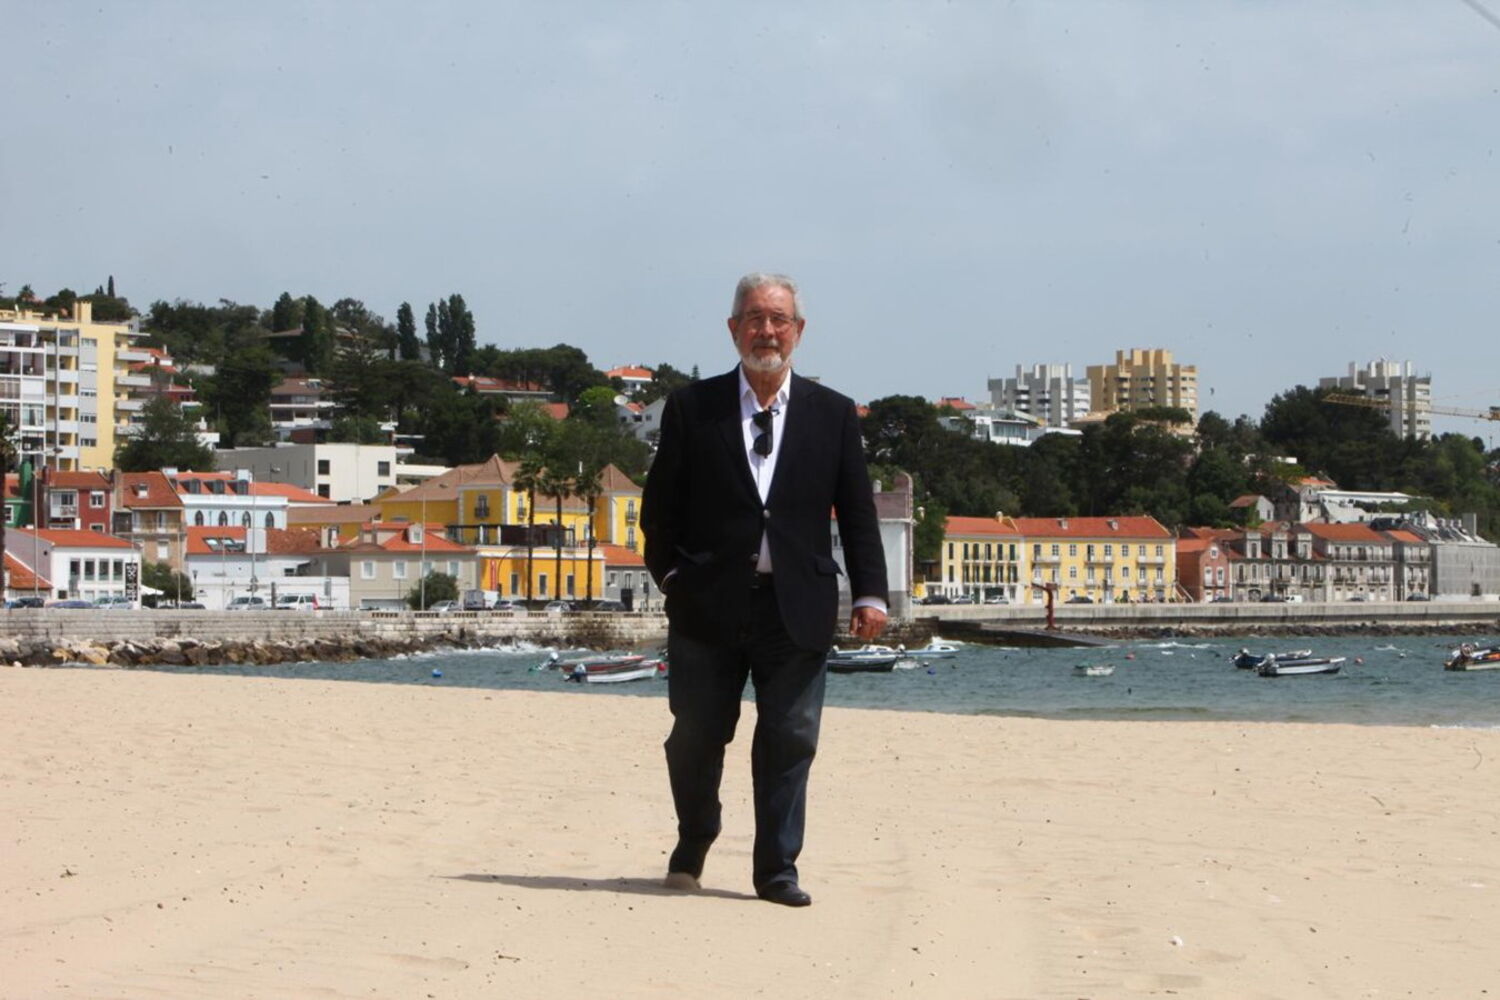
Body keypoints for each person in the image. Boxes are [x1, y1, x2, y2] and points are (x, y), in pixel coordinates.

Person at [641, 272, 889, 908]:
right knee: (695, 734)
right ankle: (695, 837)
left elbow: (857, 513)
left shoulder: (833, 413)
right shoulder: (691, 408)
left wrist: (871, 593)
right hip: (707, 606)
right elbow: (659, 510)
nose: (767, 331)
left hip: (797, 606)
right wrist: (671, 577)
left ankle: (777, 869)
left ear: (799, 331)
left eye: (779, 319)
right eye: (754, 318)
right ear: (733, 329)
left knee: (790, 738)